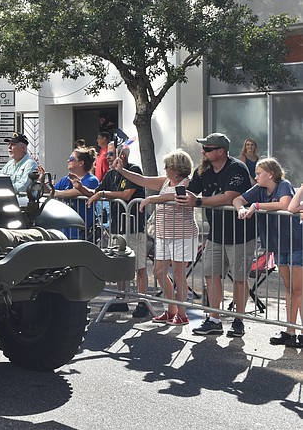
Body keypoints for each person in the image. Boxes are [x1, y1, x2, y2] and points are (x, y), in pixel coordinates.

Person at [179, 132, 255, 338]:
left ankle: (239, 320)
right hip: (216, 233)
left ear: (221, 151)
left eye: (208, 149)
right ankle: (214, 319)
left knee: (239, 278)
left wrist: (199, 202)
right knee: (211, 274)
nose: (203, 151)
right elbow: (191, 192)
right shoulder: (203, 169)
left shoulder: (236, 167)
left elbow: (231, 197)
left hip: (240, 233)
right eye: (204, 148)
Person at [115, 149, 198, 326]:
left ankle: (182, 314)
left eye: (167, 166)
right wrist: (122, 170)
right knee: (159, 272)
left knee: (178, 274)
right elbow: (143, 180)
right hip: (163, 234)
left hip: (182, 235)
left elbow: (179, 195)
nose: (165, 169)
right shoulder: (165, 181)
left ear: (176, 168)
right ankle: (171, 309)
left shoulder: (187, 182)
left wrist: (153, 199)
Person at [233, 159, 303, 347]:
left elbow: (285, 204)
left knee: (299, 289)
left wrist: (256, 206)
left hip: (296, 242)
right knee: (289, 289)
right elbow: (238, 198)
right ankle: (290, 330)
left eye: (258, 173)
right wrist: (241, 208)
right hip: (278, 244)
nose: (255, 177)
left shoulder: (284, 185)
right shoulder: (259, 189)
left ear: (270, 174)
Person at [84, 144, 150, 317]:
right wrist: (80, 188)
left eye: (111, 154)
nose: (107, 157)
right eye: (107, 154)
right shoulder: (110, 174)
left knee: (139, 266)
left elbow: (127, 195)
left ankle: (142, 302)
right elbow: (96, 192)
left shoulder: (134, 170)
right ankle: (121, 299)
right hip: (117, 226)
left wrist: (103, 194)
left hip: (134, 226)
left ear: (123, 155)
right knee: (120, 263)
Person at [49, 146, 98, 239]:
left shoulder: (92, 180)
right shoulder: (66, 179)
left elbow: (78, 192)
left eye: (71, 159)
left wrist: (58, 193)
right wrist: (43, 183)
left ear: (81, 163)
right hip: (66, 226)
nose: (68, 161)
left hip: (82, 228)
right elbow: (51, 191)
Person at [0, 132, 38, 196]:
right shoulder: (9, 164)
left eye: (13, 144)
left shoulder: (30, 164)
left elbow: (24, 186)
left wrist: (5, 188)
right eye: (9, 144)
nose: (9, 147)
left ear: (23, 147)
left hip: (23, 202)